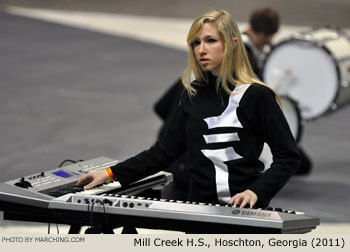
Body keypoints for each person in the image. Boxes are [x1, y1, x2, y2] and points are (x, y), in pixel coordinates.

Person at [77, 9, 300, 210]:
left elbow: (288, 156)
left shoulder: (258, 96)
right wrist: (110, 174)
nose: (201, 50)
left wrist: (256, 192)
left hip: (243, 214)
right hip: (198, 213)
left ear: (232, 44)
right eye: (196, 43)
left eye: (210, 41)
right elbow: (163, 152)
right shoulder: (193, 94)